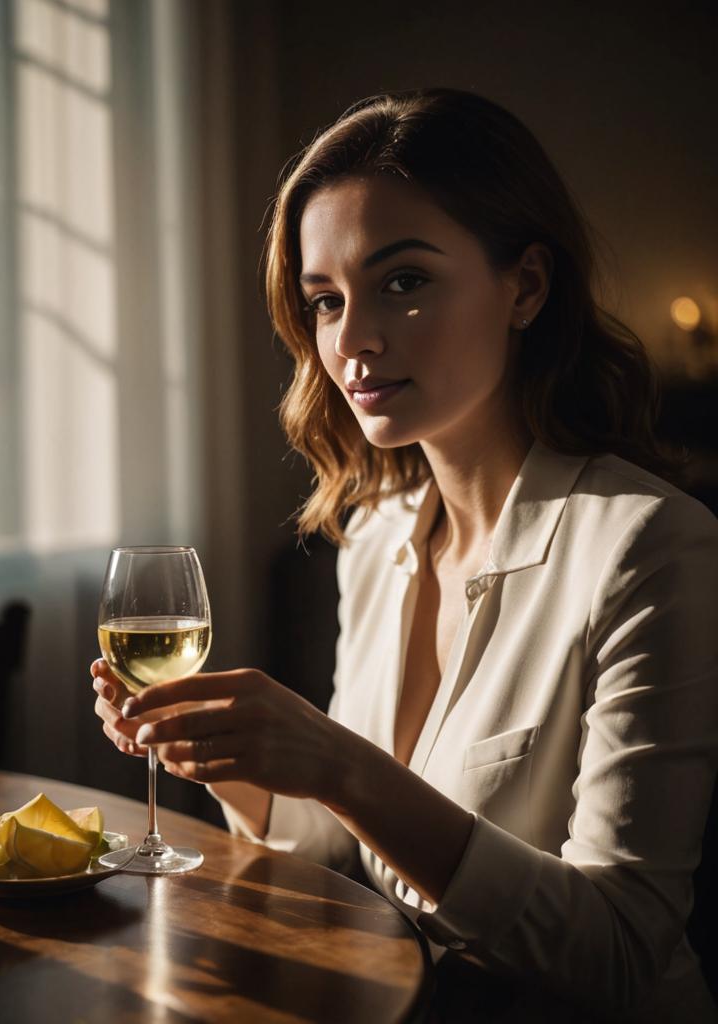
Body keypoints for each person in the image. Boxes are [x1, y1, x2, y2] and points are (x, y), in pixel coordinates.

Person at [92, 89, 718, 1021]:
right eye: (325, 301)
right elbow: (348, 859)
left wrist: (343, 766)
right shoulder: (377, 533)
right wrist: (225, 757)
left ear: (527, 287)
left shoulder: (650, 546)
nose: (353, 341)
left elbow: (622, 954)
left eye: (406, 282)